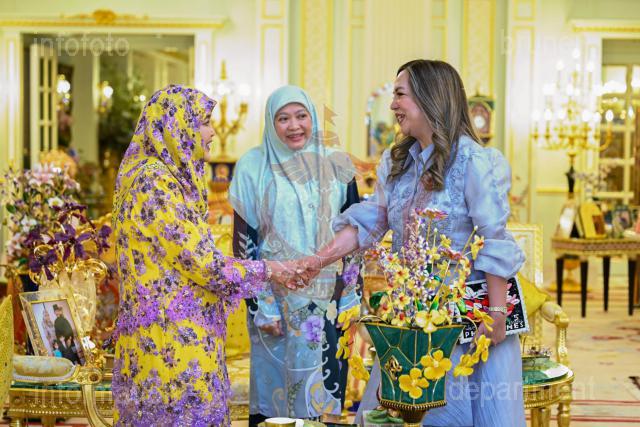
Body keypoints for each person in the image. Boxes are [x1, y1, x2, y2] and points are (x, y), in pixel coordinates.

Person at [299, 60, 526, 427]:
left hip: (469, 329)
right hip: (410, 325)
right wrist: (316, 260)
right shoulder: (398, 161)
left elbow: (494, 237)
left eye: (400, 95)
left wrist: (497, 315)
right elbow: (370, 221)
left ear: (429, 97)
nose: (393, 105)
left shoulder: (474, 160)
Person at [111, 85, 302, 427]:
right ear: (177, 126)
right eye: (203, 123)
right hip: (171, 347)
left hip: (168, 339)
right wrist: (271, 270)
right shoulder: (155, 183)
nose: (212, 132)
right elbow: (205, 265)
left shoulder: (156, 177)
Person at [229, 85, 362, 426]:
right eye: (283, 118)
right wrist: (261, 305)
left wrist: (350, 296)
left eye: (301, 116)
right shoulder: (252, 167)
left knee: (324, 396)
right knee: (276, 398)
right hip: (276, 301)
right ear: (270, 123)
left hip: (328, 300)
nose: (294, 126)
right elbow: (244, 242)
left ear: (312, 118)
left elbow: (355, 232)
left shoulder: (337, 165)